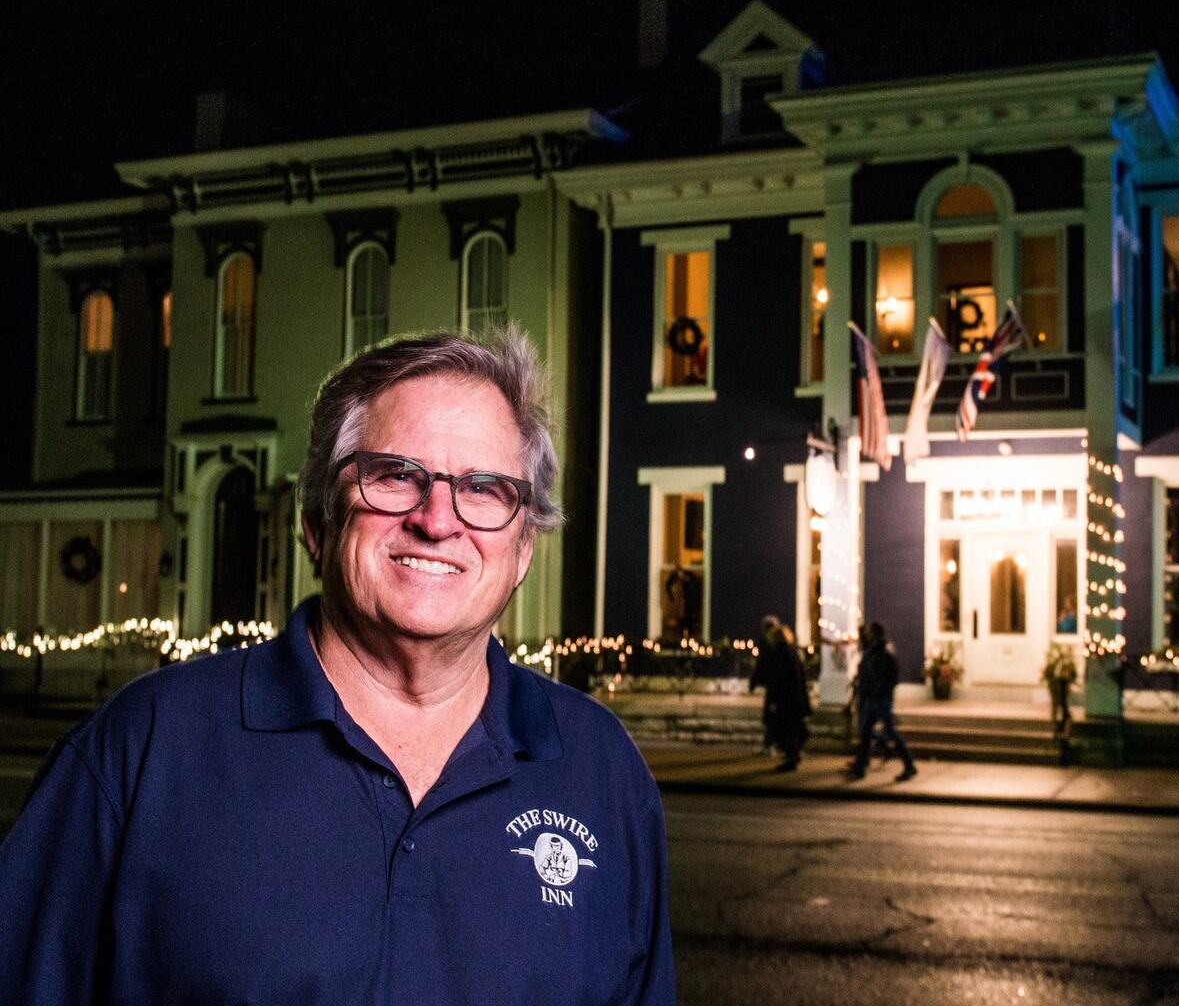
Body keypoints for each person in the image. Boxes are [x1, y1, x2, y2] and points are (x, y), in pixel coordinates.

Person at [0, 328, 675, 1005]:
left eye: (484, 488)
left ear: (524, 546)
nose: (437, 519)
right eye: (394, 476)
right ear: (319, 522)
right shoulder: (141, 750)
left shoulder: (603, 774)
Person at [846, 621, 917, 782]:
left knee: (889, 731)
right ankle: (860, 766)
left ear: (875, 633)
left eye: (870, 632)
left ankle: (909, 764)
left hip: (880, 699)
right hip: (872, 697)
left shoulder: (883, 651)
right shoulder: (873, 650)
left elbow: (890, 676)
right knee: (865, 732)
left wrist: (879, 690)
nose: (868, 635)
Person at [749, 614, 810, 771]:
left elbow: (777, 678)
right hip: (794, 698)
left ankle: (790, 756)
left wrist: (773, 698)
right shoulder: (791, 651)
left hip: (785, 699)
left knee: (781, 727)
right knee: (788, 727)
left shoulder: (779, 653)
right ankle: (791, 754)